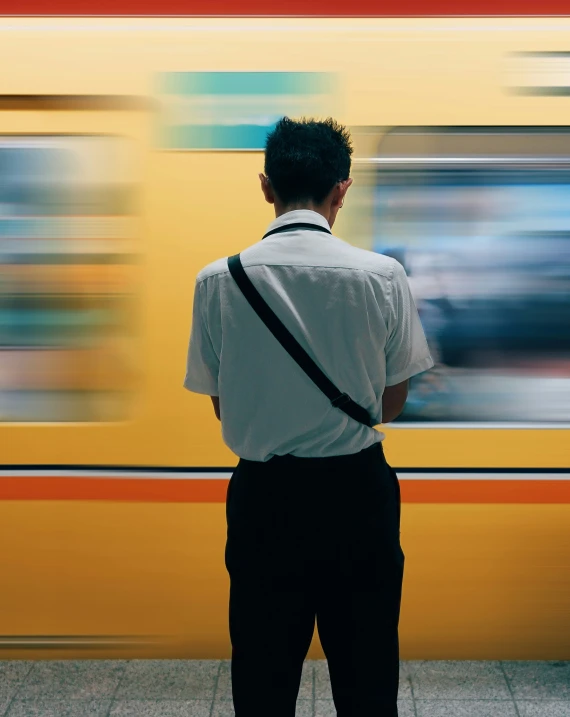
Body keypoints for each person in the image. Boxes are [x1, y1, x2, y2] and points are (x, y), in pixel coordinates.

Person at [184, 117, 434, 717]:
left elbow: (223, 406)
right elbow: (391, 405)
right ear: (341, 189)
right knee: (367, 675)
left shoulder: (217, 281)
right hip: (358, 498)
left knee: (264, 680)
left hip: (264, 501)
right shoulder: (383, 276)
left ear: (266, 187)